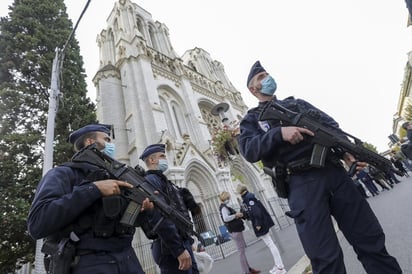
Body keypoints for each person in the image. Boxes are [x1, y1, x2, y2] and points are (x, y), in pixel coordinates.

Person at [237, 61, 402, 274]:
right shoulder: (252, 120)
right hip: (301, 184)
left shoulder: (297, 104)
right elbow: (249, 149)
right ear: (253, 89)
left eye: (268, 75)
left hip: (335, 174)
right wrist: (278, 134)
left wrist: (347, 153)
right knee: (325, 260)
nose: (268, 79)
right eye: (261, 78)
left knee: (370, 240)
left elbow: (331, 127)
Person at [27, 124, 148, 274]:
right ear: (91, 142)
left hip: (128, 260)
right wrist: (94, 189)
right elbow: (38, 223)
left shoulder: (115, 179)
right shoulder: (63, 174)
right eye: (107, 139)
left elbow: (125, 222)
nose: (111, 145)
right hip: (88, 262)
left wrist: (143, 209)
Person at [139, 143, 199, 274]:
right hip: (168, 247)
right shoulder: (151, 181)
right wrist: (178, 249)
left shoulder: (164, 181)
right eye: (162, 156)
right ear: (152, 160)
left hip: (179, 242)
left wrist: (186, 242)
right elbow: (161, 219)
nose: (165, 159)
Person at [236, 185, 285, 274]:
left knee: (270, 244)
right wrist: (243, 215)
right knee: (270, 244)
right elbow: (250, 212)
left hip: (260, 223)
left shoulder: (249, 198)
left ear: (240, 192)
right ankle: (278, 265)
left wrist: (258, 224)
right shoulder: (247, 198)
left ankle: (280, 267)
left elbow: (256, 212)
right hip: (259, 222)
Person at [218, 191, 261, 274]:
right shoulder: (223, 207)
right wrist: (236, 215)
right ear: (225, 198)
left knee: (242, 251)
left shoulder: (224, 207)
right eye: (228, 197)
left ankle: (248, 269)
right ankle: (246, 271)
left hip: (236, 230)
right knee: (241, 252)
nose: (229, 199)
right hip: (235, 231)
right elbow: (226, 218)